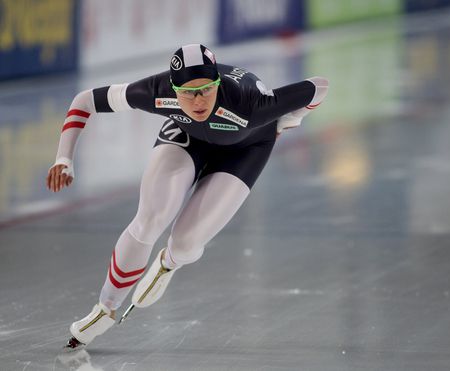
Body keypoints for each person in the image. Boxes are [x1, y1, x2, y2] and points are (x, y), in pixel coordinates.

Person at [47, 44, 328, 350]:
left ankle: (169, 262)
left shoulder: (251, 104)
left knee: (186, 243)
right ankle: (104, 309)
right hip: (188, 138)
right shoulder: (157, 91)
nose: (197, 101)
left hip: (245, 148)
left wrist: (289, 120)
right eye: (187, 93)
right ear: (173, 88)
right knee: (150, 220)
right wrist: (64, 158)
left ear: (218, 84)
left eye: (206, 90)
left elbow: (319, 87)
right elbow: (84, 100)